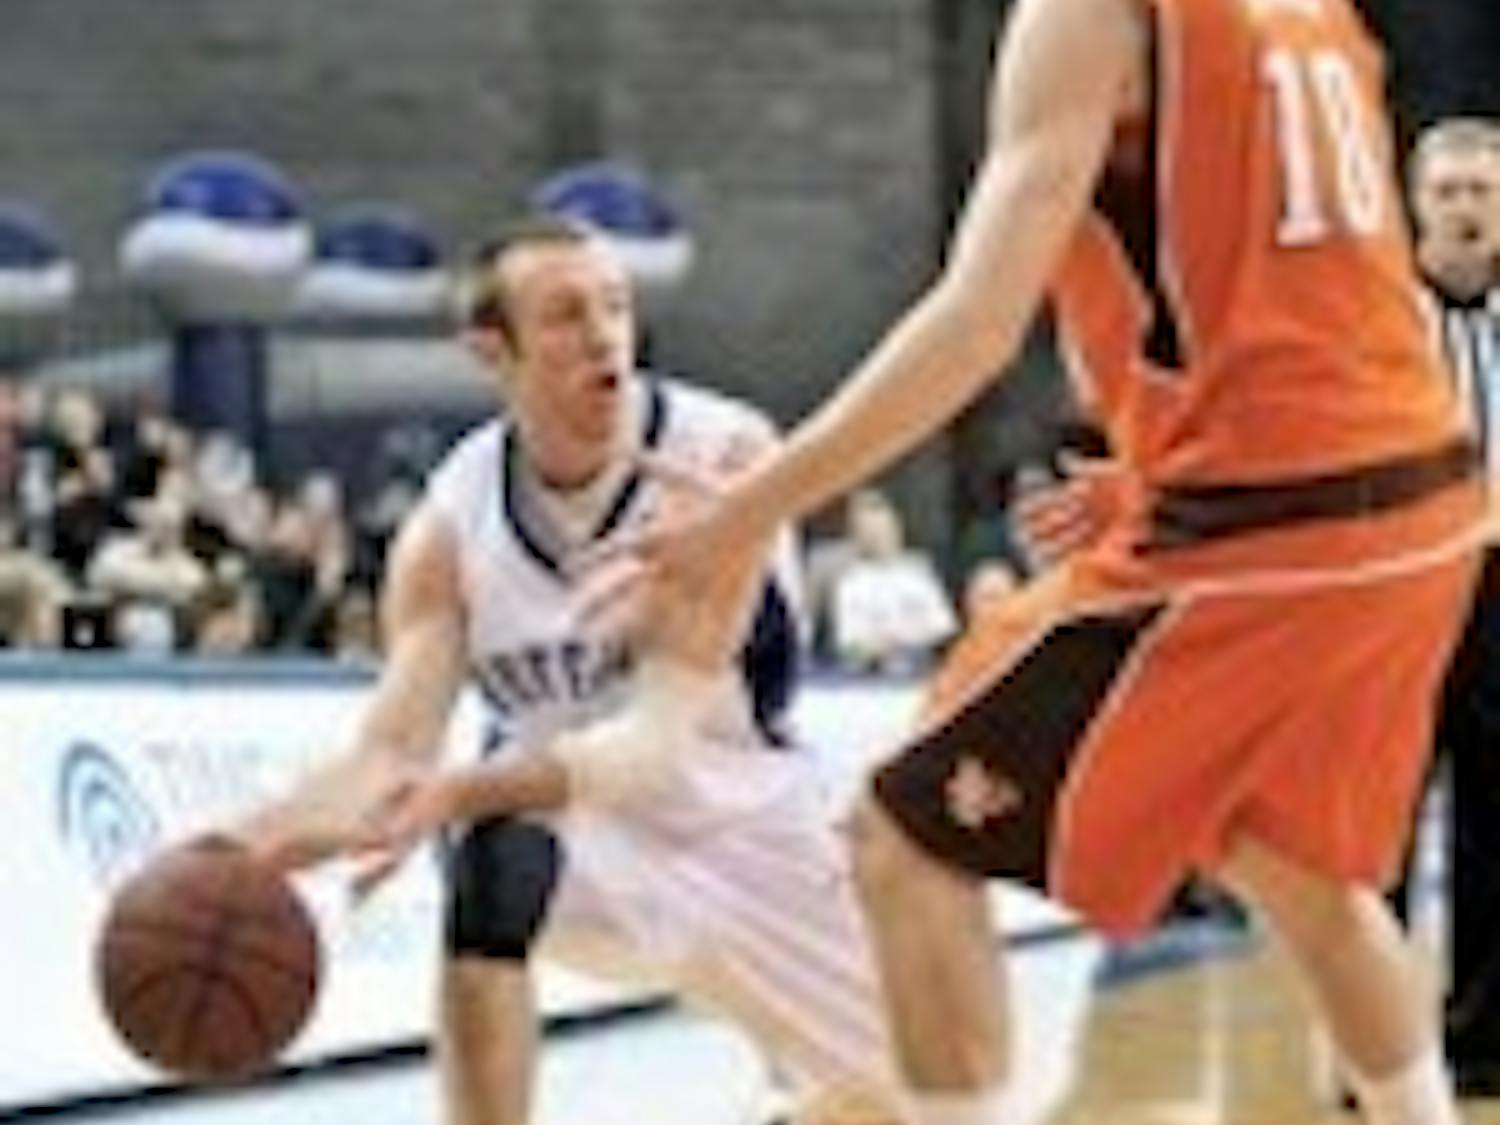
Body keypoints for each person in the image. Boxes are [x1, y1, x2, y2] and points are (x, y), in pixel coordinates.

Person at [616, 1, 1486, 1123]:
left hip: (1265, 525)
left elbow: (977, 325)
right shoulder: (1309, 10)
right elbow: (1322, 293)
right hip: (1419, 505)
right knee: (1293, 864)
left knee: (903, 836)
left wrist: (747, 512)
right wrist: (1165, 461)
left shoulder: (1089, 14)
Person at [229, 219, 1093, 1125]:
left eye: (615, 307)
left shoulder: (719, 457)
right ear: (493, 351)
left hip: (756, 832)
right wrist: (234, 852)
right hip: (587, 850)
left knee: (940, 1109)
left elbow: (651, 749)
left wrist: (451, 791)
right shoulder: (450, 525)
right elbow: (387, 753)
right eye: (565, 315)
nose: (603, 335)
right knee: (494, 858)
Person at [1407, 116, 1500, 1093]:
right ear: (1416, 204)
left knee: (1493, 819)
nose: (1466, 209)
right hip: (1400, 585)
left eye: (1481, 190)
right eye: (1448, 192)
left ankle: (1479, 1041)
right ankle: (1376, 1047)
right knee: (1377, 819)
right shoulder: (1380, 320)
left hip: (1499, 588)